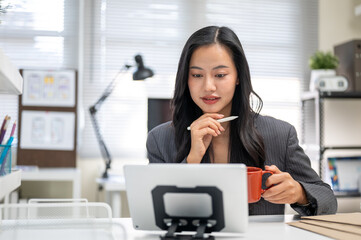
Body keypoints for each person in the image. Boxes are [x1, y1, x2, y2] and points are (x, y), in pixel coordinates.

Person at [146, 26, 337, 216]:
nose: (208, 86)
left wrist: (299, 193)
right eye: (196, 75)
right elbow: (152, 212)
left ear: (238, 77)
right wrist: (191, 161)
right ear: (185, 79)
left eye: (220, 75)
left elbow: (328, 200)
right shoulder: (160, 139)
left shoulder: (280, 133)